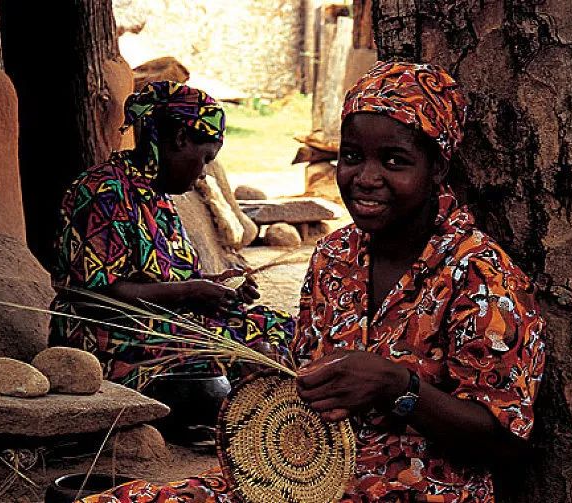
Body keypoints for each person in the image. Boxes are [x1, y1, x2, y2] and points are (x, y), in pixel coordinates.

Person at [80, 62, 546, 503]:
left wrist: (398, 387)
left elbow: (506, 442)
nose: (365, 178)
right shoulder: (334, 256)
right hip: (305, 478)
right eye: (351, 157)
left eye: (394, 161)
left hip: (418, 490)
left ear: (437, 168)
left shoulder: (481, 276)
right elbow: (308, 371)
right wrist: (275, 372)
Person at [49, 81, 294, 390]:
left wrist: (217, 293)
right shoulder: (103, 193)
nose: (204, 172)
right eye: (206, 157)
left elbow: (165, 279)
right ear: (180, 138)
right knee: (221, 366)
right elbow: (93, 297)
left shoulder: (159, 199)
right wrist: (188, 293)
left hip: (165, 325)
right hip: (108, 339)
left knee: (282, 329)